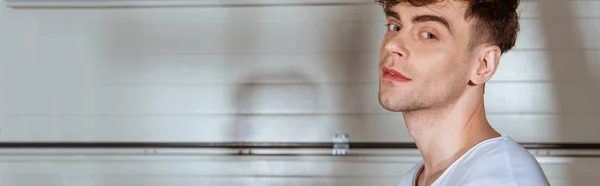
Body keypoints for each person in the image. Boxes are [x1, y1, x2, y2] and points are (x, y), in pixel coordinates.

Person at [375, 0, 550, 185]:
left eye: (429, 35)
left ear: (483, 64)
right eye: (394, 26)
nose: (392, 46)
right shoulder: (418, 177)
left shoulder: (500, 179)